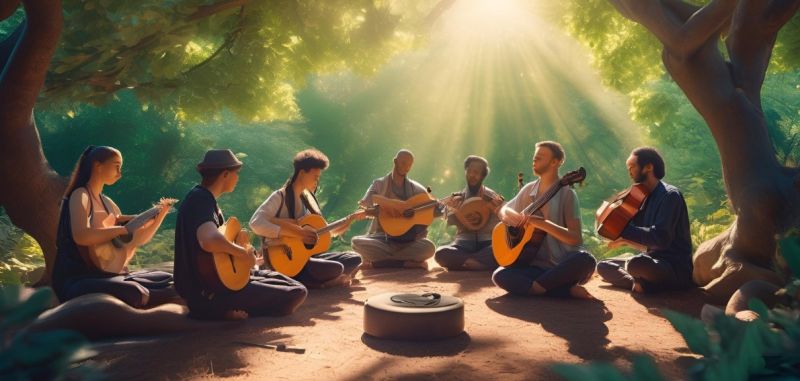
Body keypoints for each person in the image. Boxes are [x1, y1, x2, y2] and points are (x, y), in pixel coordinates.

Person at [174, 149, 307, 320]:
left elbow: (217, 254)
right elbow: (209, 240)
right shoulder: (200, 200)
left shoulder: (204, 198)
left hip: (220, 282)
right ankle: (219, 311)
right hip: (209, 292)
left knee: (287, 282)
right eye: (236, 173)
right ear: (225, 174)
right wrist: (242, 253)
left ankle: (228, 306)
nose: (237, 178)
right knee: (295, 293)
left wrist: (246, 260)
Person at [52, 146, 176, 308]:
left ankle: (171, 292)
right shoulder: (80, 195)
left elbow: (137, 240)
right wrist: (122, 229)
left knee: (164, 277)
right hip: (78, 278)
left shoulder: (108, 203)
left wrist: (160, 215)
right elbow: (81, 236)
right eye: (116, 166)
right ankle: (170, 294)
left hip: (105, 275)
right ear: (98, 166)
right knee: (135, 292)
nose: (120, 173)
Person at [492, 141, 596, 299]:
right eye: (534, 157)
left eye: (540, 157)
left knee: (586, 260)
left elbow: (575, 239)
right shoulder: (528, 189)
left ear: (555, 162)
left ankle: (537, 288)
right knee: (499, 275)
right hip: (535, 266)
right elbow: (504, 209)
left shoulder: (567, 194)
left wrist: (542, 223)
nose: (534, 160)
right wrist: (510, 214)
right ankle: (562, 290)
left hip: (562, 265)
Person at [250, 149, 363, 288]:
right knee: (336, 268)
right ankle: (321, 282)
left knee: (354, 258)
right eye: (315, 176)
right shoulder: (279, 196)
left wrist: (349, 220)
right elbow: (255, 223)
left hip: (307, 258)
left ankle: (322, 280)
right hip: (286, 261)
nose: (317, 181)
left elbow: (324, 233)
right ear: (302, 173)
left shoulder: (308, 200)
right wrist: (296, 232)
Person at [596, 147, 694, 293]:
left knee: (636, 263)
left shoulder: (670, 195)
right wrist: (609, 218)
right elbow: (637, 234)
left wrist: (621, 228)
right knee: (603, 265)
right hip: (651, 260)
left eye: (632, 166)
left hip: (672, 267)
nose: (630, 172)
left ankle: (642, 282)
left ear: (648, 167)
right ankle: (640, 284)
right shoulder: (641, 198)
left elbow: (660, 239)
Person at [351, 149, 437, 269]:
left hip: (407, 240)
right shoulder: (379, 183)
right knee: (356, 243)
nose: (406, 167)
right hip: (382, 238)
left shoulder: (416, 188)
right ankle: (404, 262)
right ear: (395, 161)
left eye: (409, 165)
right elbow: (365, 202)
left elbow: (432, 206)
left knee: (429, 248)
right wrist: (393, 204)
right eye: (403, 163)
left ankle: (381, 262)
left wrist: (439, 206)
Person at [434, 155, 503, 271]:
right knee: (441, 253)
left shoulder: (492, 197)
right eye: (469, 171)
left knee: (500, 251)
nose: (472, 175)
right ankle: (477, 263)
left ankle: (466, 262)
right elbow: (441, 217)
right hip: (463, 244)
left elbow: (503, 222)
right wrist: (451, 210)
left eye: (476, 172)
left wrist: (497, 211)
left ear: (482, 176)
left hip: (486, 244)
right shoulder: (456, 198)